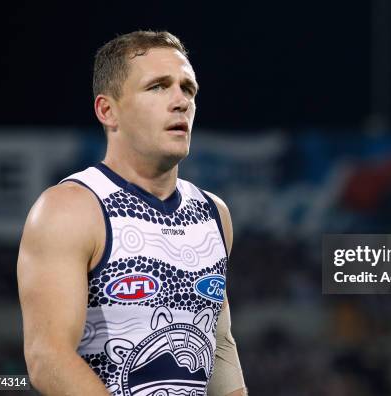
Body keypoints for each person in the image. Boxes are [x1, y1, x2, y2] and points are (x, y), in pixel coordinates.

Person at [17, 30, 247, 396]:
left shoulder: (213, 214)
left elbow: (219, 346)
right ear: (107, 110)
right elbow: (47, 357)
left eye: (188, 89)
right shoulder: (70, 209)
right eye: (158, 87)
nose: (180, 101)